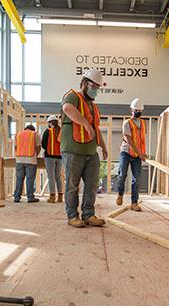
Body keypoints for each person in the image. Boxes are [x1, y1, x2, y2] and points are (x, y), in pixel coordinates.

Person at [60, 68, 109, 228]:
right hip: (73, 150)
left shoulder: (93, 106)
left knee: (92, 185)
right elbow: (67, 108)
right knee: (72, 185)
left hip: (90, 151)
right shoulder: (73, 96)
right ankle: (72, 216)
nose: (95, 90)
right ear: (84, 83)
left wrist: (103, 145)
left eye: (97, 88)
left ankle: (88, 214)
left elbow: (96, 128)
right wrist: (85, 123)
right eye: (93, 86)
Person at [116, 98, 149, 211]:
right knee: (122, 175)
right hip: (126, 152)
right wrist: (140, 153)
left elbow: (142, 140)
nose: (138, 112)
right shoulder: (127, 123)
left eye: (140, 110)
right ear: (131, 110)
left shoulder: (144, 123)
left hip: (137, 156)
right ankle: (120, 194)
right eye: (136, 110)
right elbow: (129, 141)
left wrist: (143, 153)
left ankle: (134, 203)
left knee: (137, 179)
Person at [13, 124, 41, 203]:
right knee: (30, 179)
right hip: (31, 159)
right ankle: (30, 197)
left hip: (19, 160)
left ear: (25, 129)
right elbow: (38, 147)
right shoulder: (35, 134)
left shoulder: (18, 134)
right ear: (33, 129)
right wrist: (36, 155)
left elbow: (15, 147)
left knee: (19, 179)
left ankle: (16, 197)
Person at [42, 114, 63, 203]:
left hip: (49, 156)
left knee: (51, 177)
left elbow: (43, 144)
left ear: (50, 123)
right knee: (58, 177)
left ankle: (52, 197)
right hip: (60, 157)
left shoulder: (48, 131)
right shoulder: (61, 131)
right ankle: (60, 197)